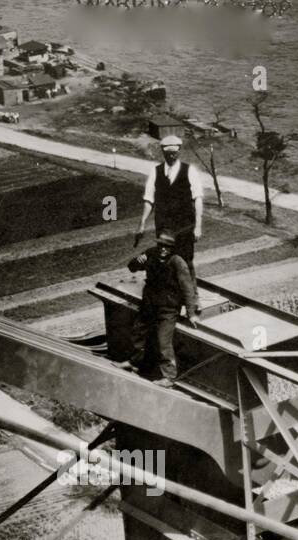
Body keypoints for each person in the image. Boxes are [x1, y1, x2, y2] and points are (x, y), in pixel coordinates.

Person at [123, 231, 198, 386]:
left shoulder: (177, 262)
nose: (163, 249)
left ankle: (169, 377)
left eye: (167, 247)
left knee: (163, 341)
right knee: (138, 332)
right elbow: (131, 267)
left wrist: (191, 313)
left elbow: (188, 288)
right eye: (161, 246)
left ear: (172, 248)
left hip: (168, 308)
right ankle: (133, 363)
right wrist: (137, 261)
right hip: (149, 304)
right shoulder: (151, 254)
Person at [135, 134, 206, 281]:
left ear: (179, 152)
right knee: (165, 259)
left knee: (186, 260)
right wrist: (142, 224)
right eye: (168, 154)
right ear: (163, 153)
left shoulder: (189, 171)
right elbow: (149, 200)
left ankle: (192, 294)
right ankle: (172, 294)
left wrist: (198, 226)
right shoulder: (156, 171)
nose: (172, 156)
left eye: (174, 153)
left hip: (185, 225)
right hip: (164, 226)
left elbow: (198, 199)